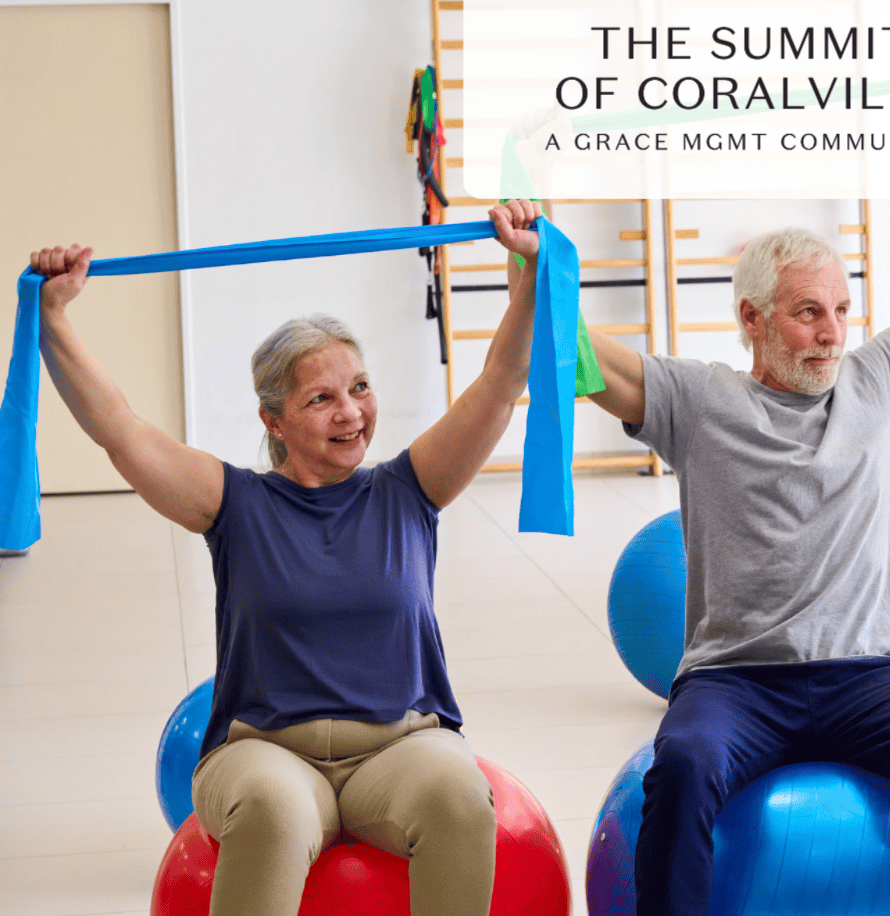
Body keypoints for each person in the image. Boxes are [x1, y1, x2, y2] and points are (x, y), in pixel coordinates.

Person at [586, 51, 890, 915]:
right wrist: (535, 263)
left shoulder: (880, 378)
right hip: (736, 680)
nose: (831, 333)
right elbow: (573, 351)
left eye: (840, 309)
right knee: (681, 769)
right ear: (751, 318)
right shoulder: (700, 399)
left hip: (873, 676)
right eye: (806, 312)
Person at [29, 200, 543, 916]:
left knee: (462, 797)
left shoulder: (410, 487)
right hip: (264, 751)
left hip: (400, 748)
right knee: (272, 811)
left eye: (360, 388)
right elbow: (119, 428)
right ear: (273, 421)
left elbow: (497, 384)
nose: (352, 412)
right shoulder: (234, 502)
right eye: (321, 399)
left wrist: (526, 275)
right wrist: (54, 319)